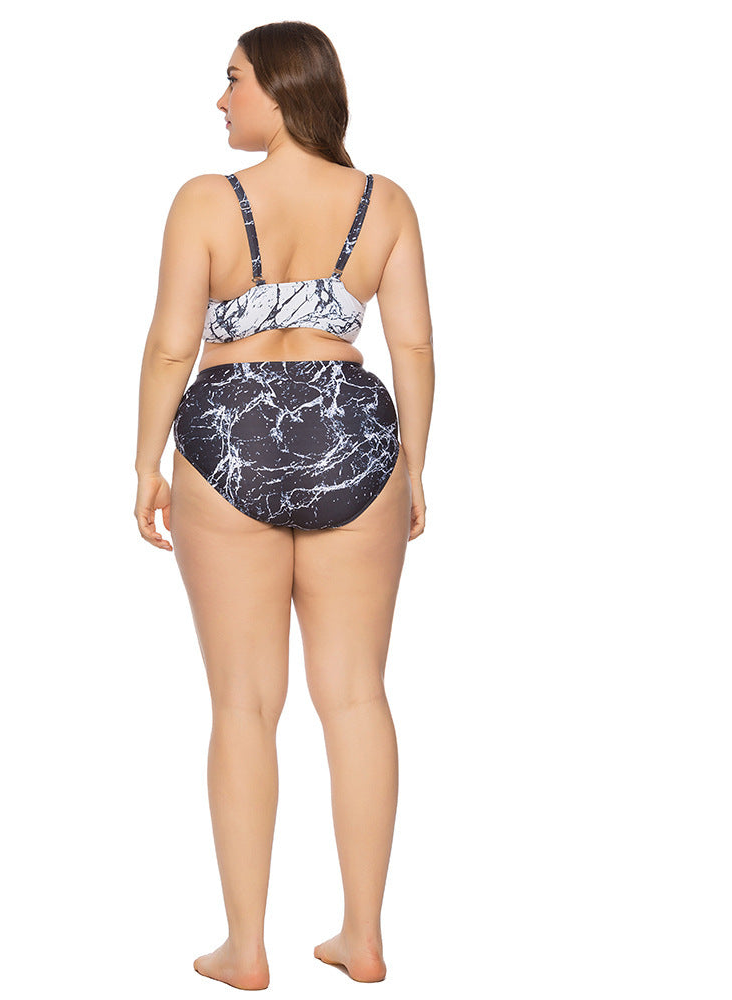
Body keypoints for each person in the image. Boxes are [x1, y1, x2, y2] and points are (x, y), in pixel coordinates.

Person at [134, 20, 434, 990]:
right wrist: (412, 465)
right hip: (357, 435)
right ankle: (364, 938)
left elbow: (172, 346)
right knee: (356, 695)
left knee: (243, 701)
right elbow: (413, 346)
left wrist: (145, 462)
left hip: (229, 432)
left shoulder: (206, 201)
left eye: (233, 80)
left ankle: (246, 947)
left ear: (279, 87)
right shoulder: (384, 203)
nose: (221, 99)